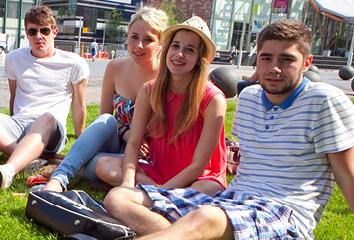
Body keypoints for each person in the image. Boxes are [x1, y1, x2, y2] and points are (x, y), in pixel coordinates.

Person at [103, 19, 354, 239]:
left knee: (206, 218)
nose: (274, 68)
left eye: (286, 59)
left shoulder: (324, 100)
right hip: (232, 200)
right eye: (266, 58)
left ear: (307, 63)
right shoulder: (250, 98)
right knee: (118, 198)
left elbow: (347, 174)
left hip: (282, 211)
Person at [91, 16, 228, 196]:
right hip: (159, 174)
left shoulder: (213, 99)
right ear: (167, 49)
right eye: (175, 46)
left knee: (209, 189)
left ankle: (154, 195)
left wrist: (161, 192)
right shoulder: (149, 90)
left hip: (199, 179)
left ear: (199, 58)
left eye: (189, 50)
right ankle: (163, 195)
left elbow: (198, 166)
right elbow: (133, 143)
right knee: (103, 165)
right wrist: (127, 182)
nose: (179, 54)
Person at [42, 7, 169, 192]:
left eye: (148, 39)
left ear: (159, 44)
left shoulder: (166, 77)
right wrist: (126, 133)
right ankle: (59, 179)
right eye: (134, 37)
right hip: (116, 141)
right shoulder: (115, 67)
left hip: (146, 154)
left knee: (93, 163)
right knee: (106, 121)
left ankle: (70, 163)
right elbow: (105, 119)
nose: (139, 45)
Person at [0, 5, 90, 192]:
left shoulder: (75, 63)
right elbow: (14, 97)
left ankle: (8, 170)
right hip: (19, 123)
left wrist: (81, 141)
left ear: (54, 32)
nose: (39, 36)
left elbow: (79, 105)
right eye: (33, 31)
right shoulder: (13, 58)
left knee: (46, 117)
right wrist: (12, 124)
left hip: (51, 128)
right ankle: (32, 157)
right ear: (26, 34)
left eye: (44, 30)